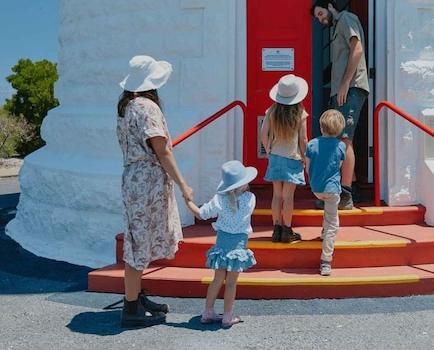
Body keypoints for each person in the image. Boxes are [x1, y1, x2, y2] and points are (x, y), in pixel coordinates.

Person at [116, 55, 194, 328]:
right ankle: (130, 307)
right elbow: (162, 150)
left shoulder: (126, 107)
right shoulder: (147, 107)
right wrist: (184, 185)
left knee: (139, 239)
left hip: (133, 178)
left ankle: (135, 297)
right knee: (139, 245)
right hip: (147, 180)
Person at [310, 0, 369, 210]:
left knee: (344, 139)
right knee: (341, 137)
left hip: (350, 88)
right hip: (342, 89)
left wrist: (345, 83)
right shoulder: (337, 28)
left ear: (330, 6)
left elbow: (357, 49)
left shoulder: (346, 18)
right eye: (318, 17)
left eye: (321, 13)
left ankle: (345, 196)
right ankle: (352, 187)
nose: (320, 19)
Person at [185, 159, 257, 328]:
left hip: (222, 244)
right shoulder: (250, 198)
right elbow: (240, 202)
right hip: (238, 246)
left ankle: (208, 312)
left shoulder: (219, 200)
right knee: (231, 282)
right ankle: (227, 316)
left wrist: (188, 201)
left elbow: (201, 214)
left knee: (217, 279)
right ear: (244, 183)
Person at [259, 74, 309, 243]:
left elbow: (263, 132)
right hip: (292, 157)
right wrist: (305, 157)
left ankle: (276, 229)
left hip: (275, 157)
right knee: (288, 196)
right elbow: (303, 139)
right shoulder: (300, 113)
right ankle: (287, 230)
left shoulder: (272, 110)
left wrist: (269, 149)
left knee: (276, 195)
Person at [304, 109, 347, 276]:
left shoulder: (312, 144)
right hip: (332, 189)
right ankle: (326, 261)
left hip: (316, 188)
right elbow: (340, 165)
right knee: (332, 223)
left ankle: (323, 233)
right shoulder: (341, 145)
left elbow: (307, 167)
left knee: (328, 216)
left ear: (321, 126)